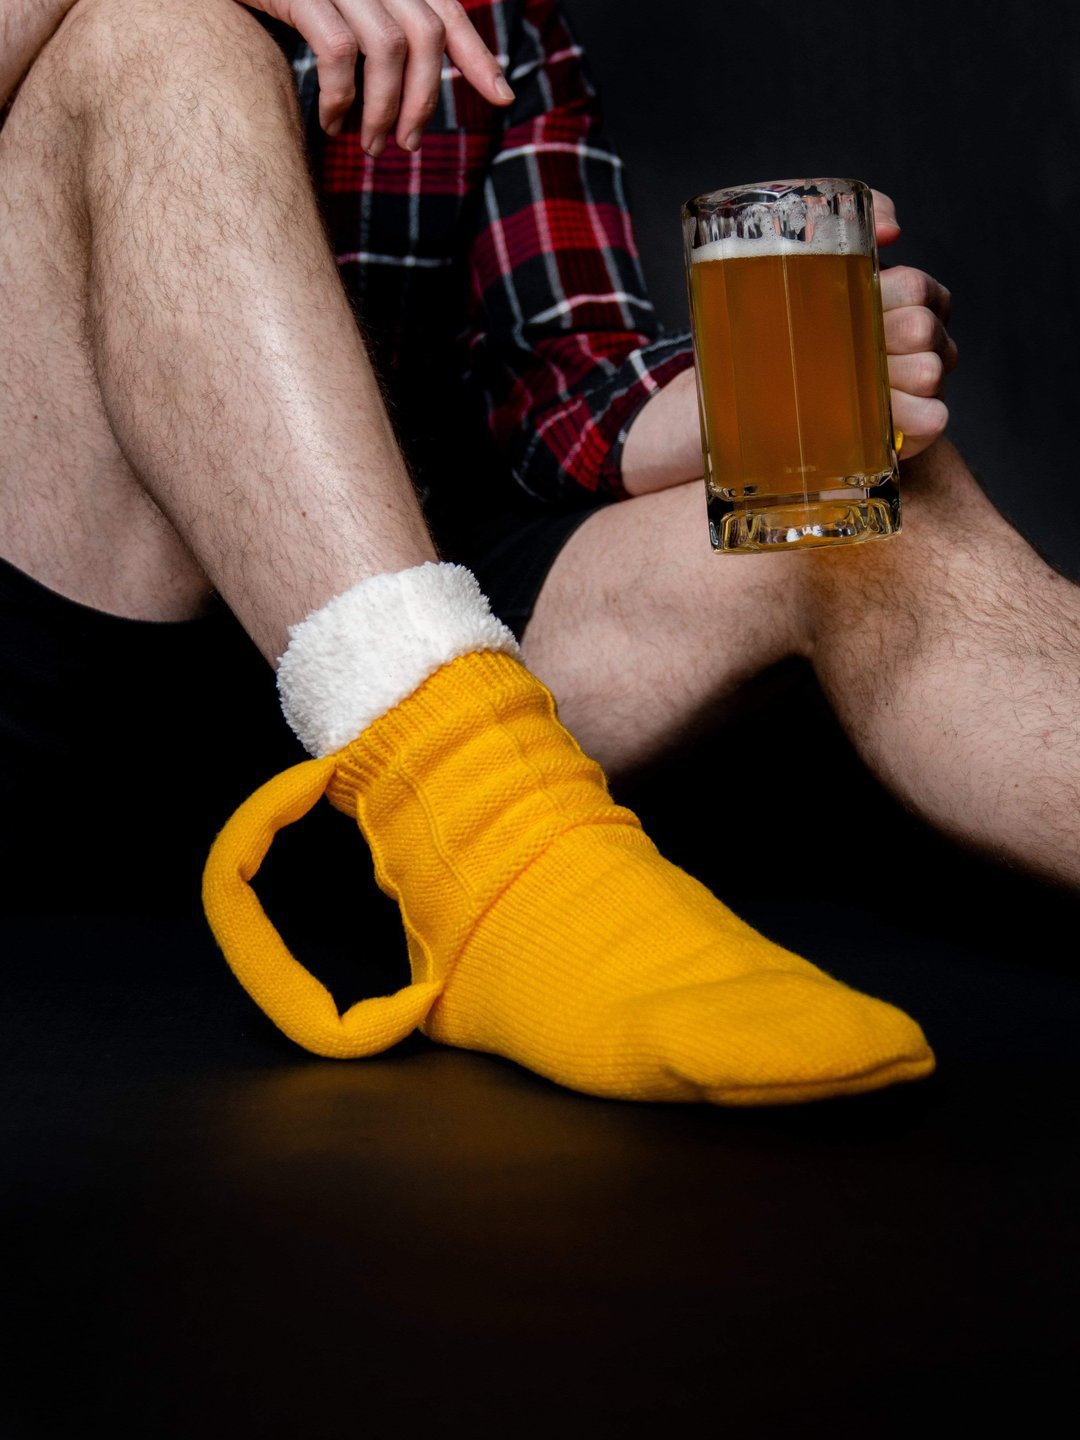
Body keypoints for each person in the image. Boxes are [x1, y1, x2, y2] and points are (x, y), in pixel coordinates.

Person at [2, 0, 1076, 1106]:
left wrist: (729, 405)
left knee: (851, 503)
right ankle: (492, 839)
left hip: (377, 716)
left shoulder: (499, 26)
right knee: (162, 30)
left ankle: (469, 807)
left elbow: (555, 386)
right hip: (72, 657)